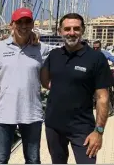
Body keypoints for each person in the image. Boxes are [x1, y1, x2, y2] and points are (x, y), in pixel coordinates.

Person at [41, 13, 113, 164]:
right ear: (60, 31)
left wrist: (99, 131)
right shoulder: (54, 55)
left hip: (83, 128)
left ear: (83, 30)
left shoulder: (96, 58)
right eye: (67, 29)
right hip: (54, 126)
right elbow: (45, 81)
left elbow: (102, 97)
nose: (71, 32)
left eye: (76, 28)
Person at [0, 7, 50, 164]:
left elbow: (52, 73)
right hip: (4, 113)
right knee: (0, 159)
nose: (24, 26)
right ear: (12, 25)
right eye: (20, 22)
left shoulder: (42, 49)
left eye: (27, 22)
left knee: (33, 159)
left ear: (32, 24)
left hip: (32, 113)